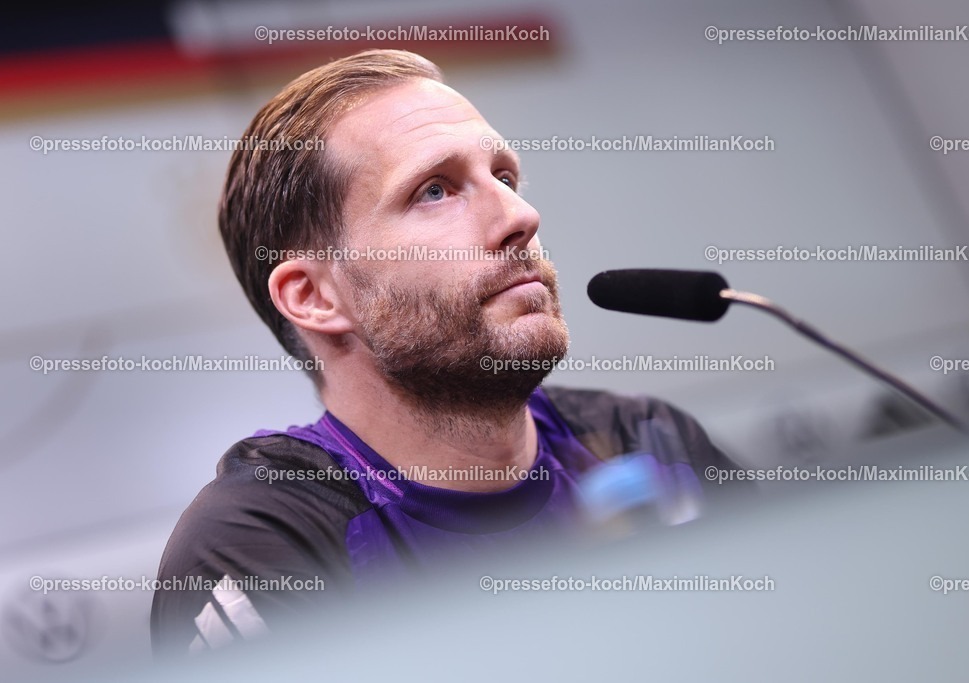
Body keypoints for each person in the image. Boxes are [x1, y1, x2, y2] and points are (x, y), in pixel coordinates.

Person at [151, 48, 743, 657]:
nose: (521, 216)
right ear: (314, 297)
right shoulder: (264, 540)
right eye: (434, 190)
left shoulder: (646, 438)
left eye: (505, 178)